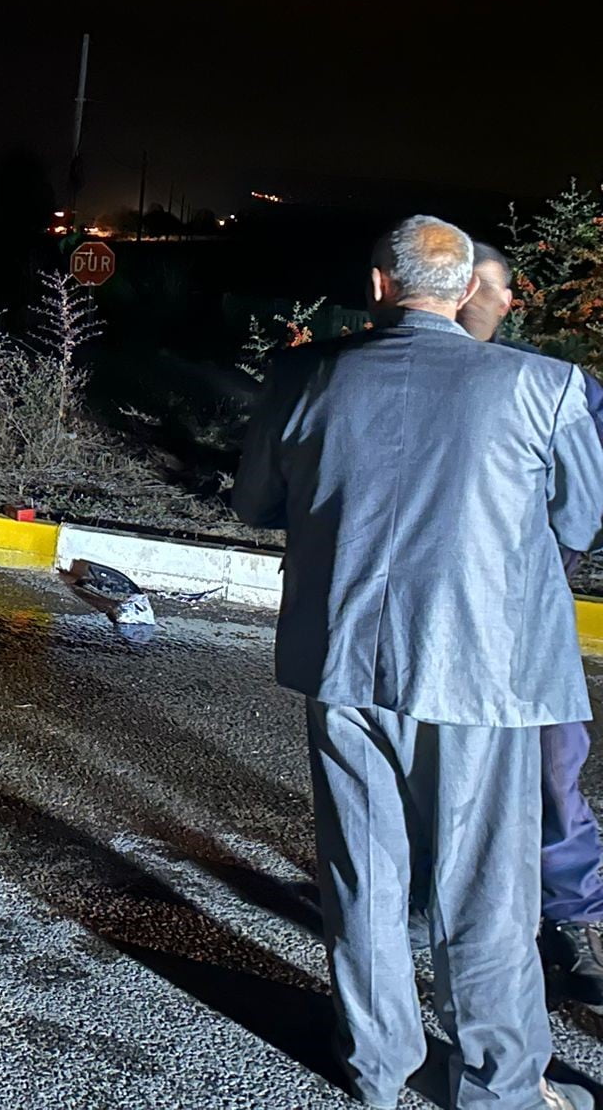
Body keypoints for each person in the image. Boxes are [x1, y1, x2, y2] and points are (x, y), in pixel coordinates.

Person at [233, 215, 603, 1110]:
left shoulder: (301, 376)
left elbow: (255, 505)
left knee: (362, 868)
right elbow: (581, 523)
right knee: (485, 889)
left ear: (377, 287)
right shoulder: (545, 387)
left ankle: (377, 1063)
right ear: (470, 288)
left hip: (345, 657)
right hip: (489, 672)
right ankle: (499, 1086)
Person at [460, 240, 603, 1009]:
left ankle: (569, 919)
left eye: (485, 288)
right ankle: (431, 902)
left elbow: (582, 506)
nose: (469, 299)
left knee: (551, 765)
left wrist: (537, 581)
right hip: (436, 621)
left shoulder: (552, 386)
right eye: (460, 285)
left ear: (510, 301)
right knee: (431, 766)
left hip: (521, 621)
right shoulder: (406, 375)